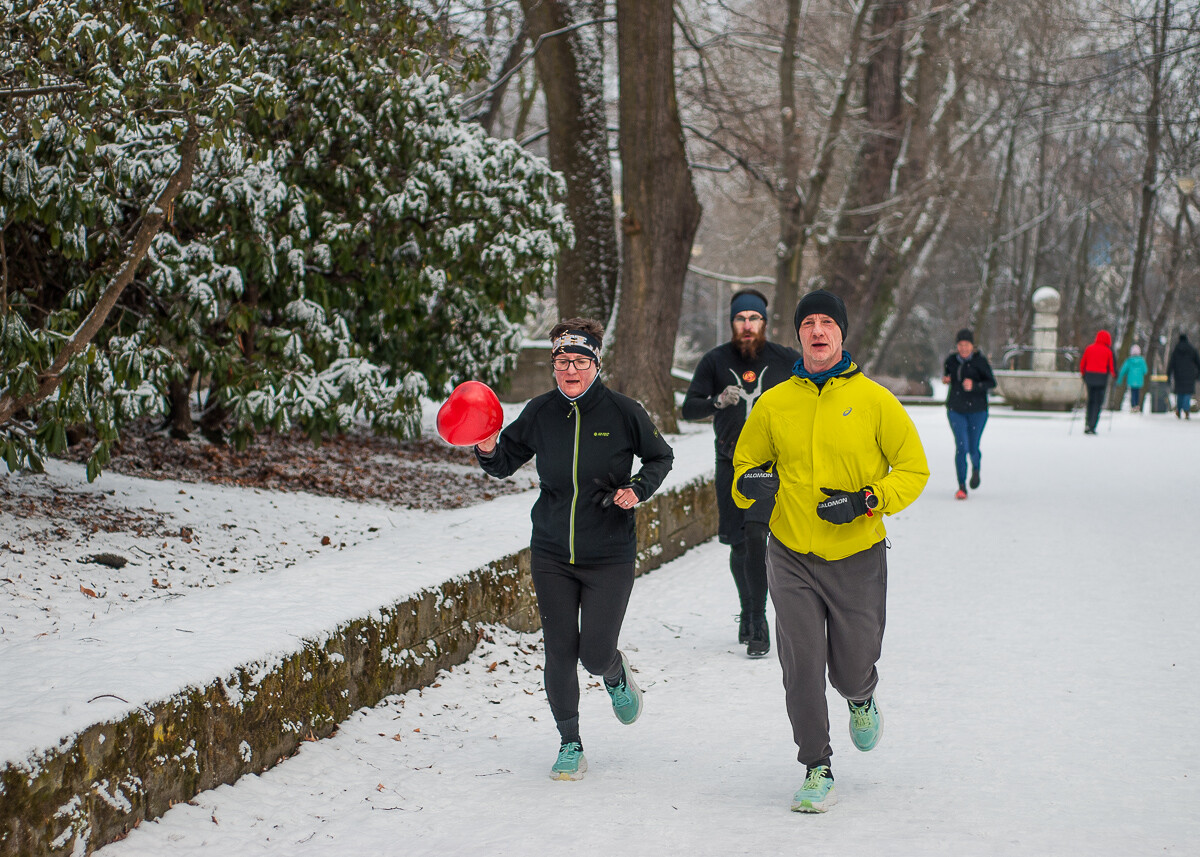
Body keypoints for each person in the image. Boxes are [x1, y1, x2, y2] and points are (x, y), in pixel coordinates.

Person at [731, 290, 928, 813]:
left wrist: (868, 500)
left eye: (827, 323)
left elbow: (913, 470)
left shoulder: (875, 401)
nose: (818, 331)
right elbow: (743, 468)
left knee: (850, 666)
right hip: (791, 553)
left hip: (858, 555)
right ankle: (816, 765)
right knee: (801, 666)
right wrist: (753, 483)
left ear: (842, 334)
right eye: (808, 323)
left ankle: (861, 697)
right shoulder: (774, 402)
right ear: (798, 335)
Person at [473, 318, 674, 782]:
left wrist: (638, 489)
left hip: (609, 552)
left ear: (596, 364)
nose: (570, 369)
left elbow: (661, 456)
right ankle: (570, 742)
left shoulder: (624, 411)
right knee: (559, 651)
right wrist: (486, 447)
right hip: (551, 552)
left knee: (594, 653)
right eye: (562, 361)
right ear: (553, 366)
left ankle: (615, 673)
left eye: (580, 361)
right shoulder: (540, 412)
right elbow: (504, 463)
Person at [681, 289, 801, 658]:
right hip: (729, 463)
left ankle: (758, 619)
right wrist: (717, 401)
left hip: (769, 469)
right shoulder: (715, 361)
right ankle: (748, 613)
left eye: (754, 319)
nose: (747, 326)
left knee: (756, 536)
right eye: (740, 319)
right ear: (732, 323)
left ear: (764, 322)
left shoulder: (786, 360)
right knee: (737, 541)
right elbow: (688, 409)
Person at [941, 328, 995, 500]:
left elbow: (991, 382)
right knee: (961, 447)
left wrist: (975, 385)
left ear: (972, 345)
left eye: (967, 345)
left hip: (978, 411)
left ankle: (976, 468)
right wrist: (947, 379)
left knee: (973, 447)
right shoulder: (951, 360)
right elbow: (948, 374)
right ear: (957, 346)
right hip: (956, 409)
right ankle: (962, 486)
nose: (964, 348)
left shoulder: (980, 361)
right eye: (961, 345)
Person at [1078, 330, 1116, 434]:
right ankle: (1092, 425)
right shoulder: (1108, 351)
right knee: (1097, 402)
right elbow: (1111, 366)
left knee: (1090, 400)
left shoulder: (1089, 348)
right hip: (1101, 377)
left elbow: (1083, 363)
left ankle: (1087, 423)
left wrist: (1083, 374)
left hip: (1089, 376)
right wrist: (1114, 375)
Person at [1166, 332, 1200, 419]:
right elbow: (1198, 362)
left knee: (1180, 393)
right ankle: (1186, 410)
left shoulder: (1176, 349)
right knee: (1187, 393)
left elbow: (1171, 363)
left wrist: (1168, 374)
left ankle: (1178, 409)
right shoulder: (1192, 349)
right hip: (1190, 374)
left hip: (1179, 374)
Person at [1117, 344, 1148, 412]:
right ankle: (1137, 405)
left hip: (1131, 379)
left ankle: (1133, 405)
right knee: (1137, 392)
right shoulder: (1142, 360)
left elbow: (1123, 370)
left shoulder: (1129, 360)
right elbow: (1145, 371)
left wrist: (1119, 380)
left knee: (1132, 392)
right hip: (1139, 380)